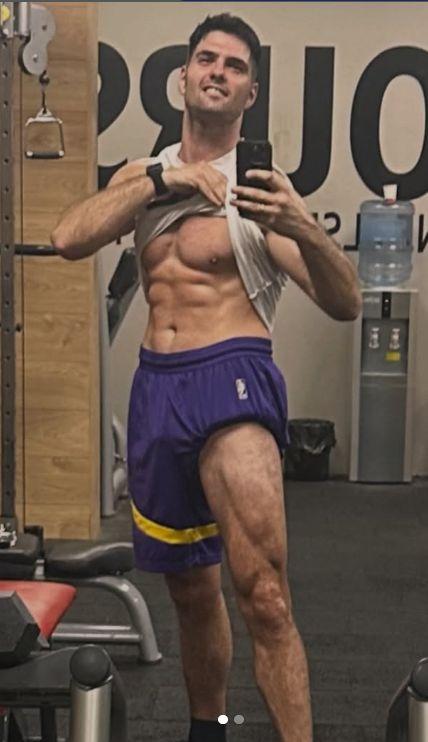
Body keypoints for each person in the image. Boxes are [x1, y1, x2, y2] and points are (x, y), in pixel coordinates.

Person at [51, 13, 362, 742]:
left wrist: (302, 224)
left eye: (235, 65)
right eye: (206, 59)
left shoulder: (259, 196)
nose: (218, 71)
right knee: (191, 594)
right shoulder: (144, 177)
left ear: (251, 93)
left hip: (232, 380)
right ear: (183, 77)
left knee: (264, 595)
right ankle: (209, 729)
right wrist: (164, 178)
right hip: (157, 388)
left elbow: (346, 302)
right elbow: (68, 237)